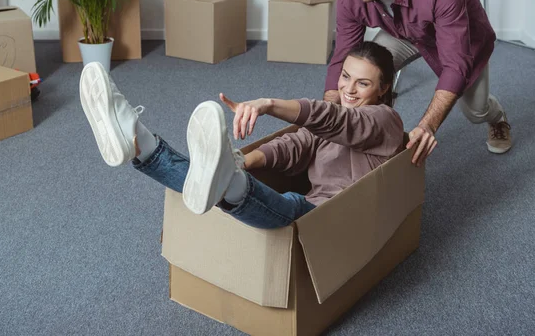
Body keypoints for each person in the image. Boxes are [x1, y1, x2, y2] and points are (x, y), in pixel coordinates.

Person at [79, 42, 404, 229]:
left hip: (333, 220)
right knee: (214, 185)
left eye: (362, 83)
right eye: (346, 77)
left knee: (288, 204)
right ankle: (138, 141)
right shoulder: (329, 125)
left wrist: (270, 104)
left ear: (383, 88)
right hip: (306, 204)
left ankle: (152, 148)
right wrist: (242, 161)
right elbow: (295, 144)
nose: (348, 88)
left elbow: (337, 121)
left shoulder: (385, 122)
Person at [325, 0, 512, 167]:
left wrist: (428, 125)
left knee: (475, 110)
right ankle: (378, 136)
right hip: (404, 33)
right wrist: (328, 110)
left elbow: (456, 65)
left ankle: (498, 118)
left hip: (462, 41)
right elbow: (343, 56)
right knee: (366, 73)